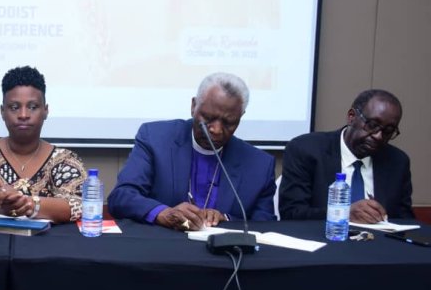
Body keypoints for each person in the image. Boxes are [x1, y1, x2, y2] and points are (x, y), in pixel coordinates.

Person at [107, 72, 276, 230]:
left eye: (228, 123)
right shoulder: (155, 138)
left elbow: (265, 226)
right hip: (162, 246)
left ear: (240, 117)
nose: (216, 130)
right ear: (194, 106)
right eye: (208, 118)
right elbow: (122, 196)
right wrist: (163, 213)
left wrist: (227, 219)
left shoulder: (260, 165)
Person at [0, 66, 86, 223]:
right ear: (2, 112)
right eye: (14, 107)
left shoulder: (65, 161)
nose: (23, 115)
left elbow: (80, 205)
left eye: (32, 107)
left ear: (45, 111)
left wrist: (28, 204)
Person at [279, 89, 412, 222]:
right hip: (323, 234)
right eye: (372, 125)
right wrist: (344, 214)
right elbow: (292, 213)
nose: (378, 136)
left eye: (388, 131)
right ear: (351, 117)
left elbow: (405, 220)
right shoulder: (306, 150)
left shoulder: (397, 162)